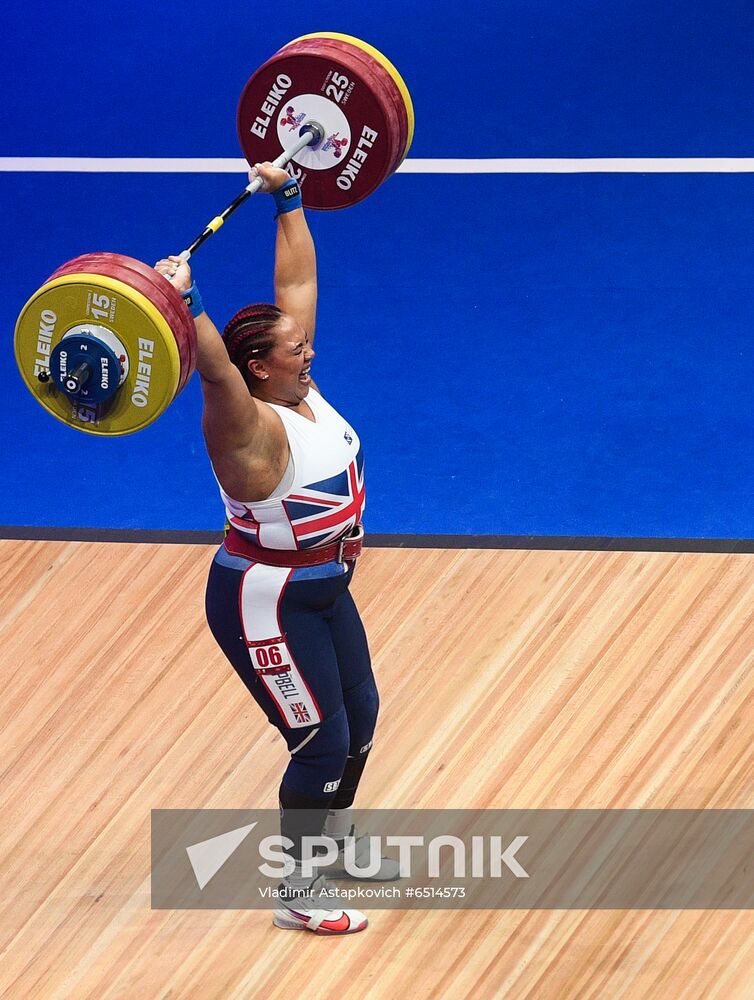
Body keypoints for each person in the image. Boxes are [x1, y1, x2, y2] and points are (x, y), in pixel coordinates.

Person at [155, 163, 396, 935]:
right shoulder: (248, 429)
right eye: (295, 350)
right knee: (320, 740)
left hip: (325, 586)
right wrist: (185, 301)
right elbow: (217, 373)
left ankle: (331, 849)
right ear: (259, 367)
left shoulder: (300, 391)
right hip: (268, 601)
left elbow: (297, 284)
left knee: (361, 713)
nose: (309, 351)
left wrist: (289, 196)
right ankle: (299, 887)